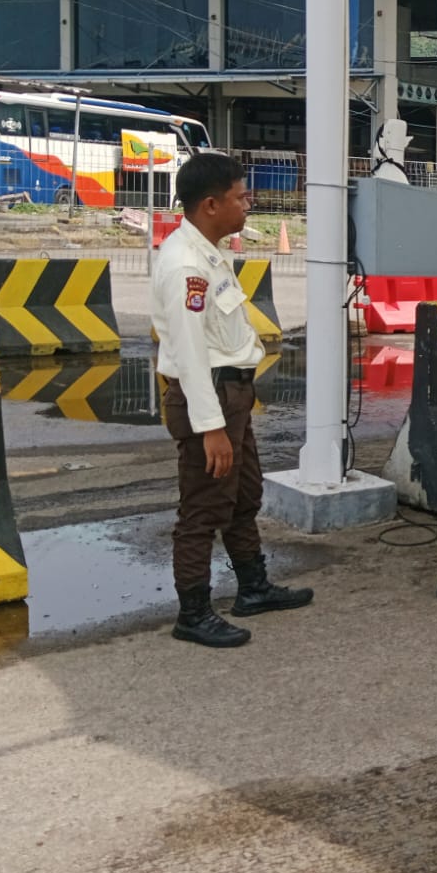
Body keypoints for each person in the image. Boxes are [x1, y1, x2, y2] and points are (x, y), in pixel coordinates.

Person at [152, 150, 312, 647]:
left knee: (243, 496)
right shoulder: (185, 265)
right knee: (203, 508)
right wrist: (211, 428)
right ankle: (193, 613)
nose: (248, 204)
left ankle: (253, 588)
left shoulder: (208, 252)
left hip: (232, 395)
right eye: (241, 197)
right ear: (210, 204)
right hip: (211, 400)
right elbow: (189, 354)